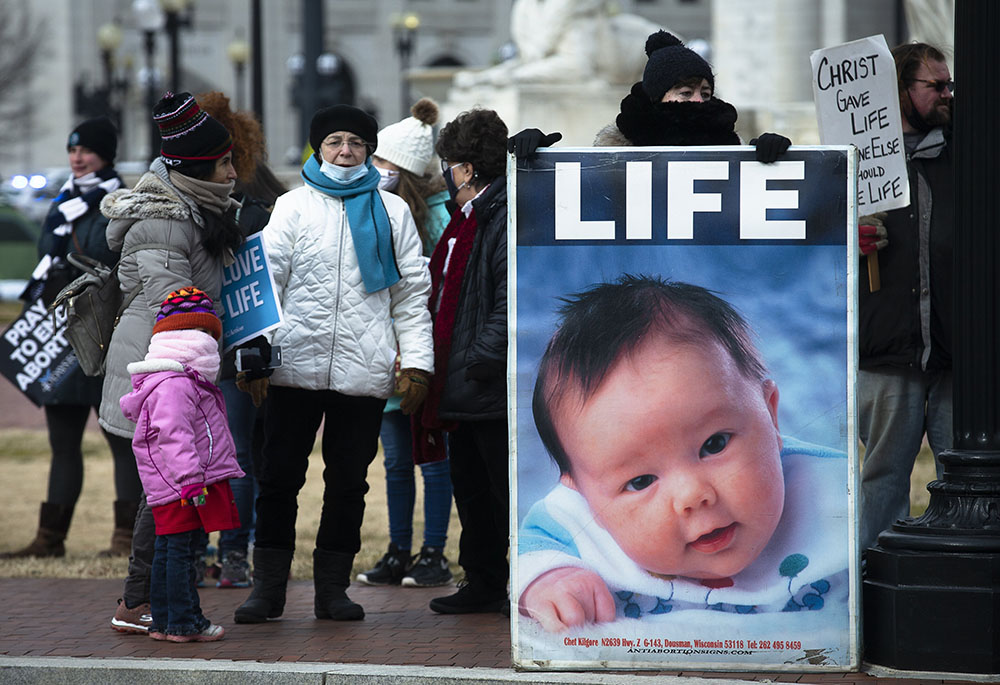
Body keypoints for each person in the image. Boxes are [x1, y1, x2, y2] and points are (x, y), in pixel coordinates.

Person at [518, 276, 848, 632]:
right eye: (641, 481)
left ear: (770, 415)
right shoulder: (572, 524)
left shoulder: (832, 490)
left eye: (715, 444)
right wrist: (548, 580)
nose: (693, 495)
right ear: (583, 495)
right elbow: (532, 552)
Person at [234, 104, 434, 624]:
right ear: (317, 148)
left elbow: (410, 296)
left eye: (355, 142)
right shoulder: (293, 206)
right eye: (334, 141)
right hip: (292, 369)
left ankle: (332, 591)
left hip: (363, 374)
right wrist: (253, 356)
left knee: (348, 484)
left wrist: (416, 364)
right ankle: (268, 590)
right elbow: (265, 283)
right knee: (278, 479)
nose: (345, 151)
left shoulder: (392, 213)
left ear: (369, 149)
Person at [101, 91, 241, 634]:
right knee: (161, 493)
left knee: (160, 490)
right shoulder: (162, 221)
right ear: (199, 167)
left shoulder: (198, 207)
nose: (233, 172)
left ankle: (146, 600)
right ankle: (140, 602)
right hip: (158, 369)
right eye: (225, 163)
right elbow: (175, 302)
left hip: (182, 365)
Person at [2, 117, 143, 560]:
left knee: (119, 438)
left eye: (86, 151)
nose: (77, 158)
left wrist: (74, 266)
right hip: (61, 337)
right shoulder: (64, 201)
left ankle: (125, 540)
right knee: (62, 442)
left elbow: (114, 255)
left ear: (106, 154)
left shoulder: (119, 200)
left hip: (104, 335)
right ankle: (49, 540)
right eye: (72, 150)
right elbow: (47, 253)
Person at [857, 42, 954, 552]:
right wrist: (850, 234)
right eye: (934, 86)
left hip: (956, 355)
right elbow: (818, 240)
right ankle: (872, 598)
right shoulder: (855, 163)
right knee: (882, 478)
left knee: (966, 484)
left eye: (948, 84)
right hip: (886, 351)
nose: (947, 94)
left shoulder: (968, 152)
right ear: (898, 92)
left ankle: (957, 588)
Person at [415, 108, 511, 615]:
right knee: (471, 490)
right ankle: (483, 580)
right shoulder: (466, 219)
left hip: (483, 380)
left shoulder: (499, 214)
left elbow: (505, 295)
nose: (447, 173)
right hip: (461, 379)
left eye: (450, 163)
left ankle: (509, 582)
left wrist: (482, 357)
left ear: (467, 168)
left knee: (500, 492)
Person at [356, 98, 455, 588]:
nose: (376, 171)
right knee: (395, 461)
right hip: (384, 354)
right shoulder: (377, 210)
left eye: (384, 164)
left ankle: (433, 552)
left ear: (408, 172)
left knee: (433, 457)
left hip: (424, 356)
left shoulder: (439, 217)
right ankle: (398, 550)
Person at [193, 90, 288, 589]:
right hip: (195, 345)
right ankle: (201, 549)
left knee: (235, 454)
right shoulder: (185, 202)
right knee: (205, 451)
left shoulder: (257, 209)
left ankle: (230, 551)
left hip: (234, 348)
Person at [119, 288, 243, 642]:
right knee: (184, 552)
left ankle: (163, 621)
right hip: (183, 485)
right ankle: (185, 622)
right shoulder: (176, 383)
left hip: (173, 483)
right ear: (192, 339)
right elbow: (174, 434)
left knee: (169, 550)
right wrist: (191, 480)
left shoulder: (176, 380)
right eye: (207, 335)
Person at [508, 30, 791, 160]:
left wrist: (772, 159)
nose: (698, 101)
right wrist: (534, 161)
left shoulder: (731, 147)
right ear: (657, 97)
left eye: (705, 93)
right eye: (685, 92)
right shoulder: (615, 149)